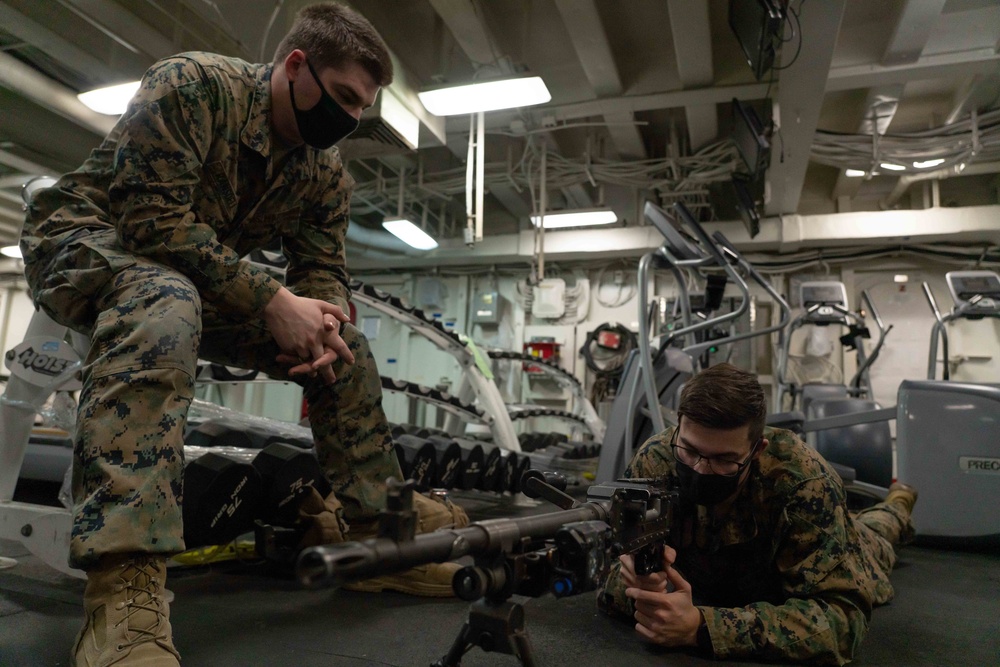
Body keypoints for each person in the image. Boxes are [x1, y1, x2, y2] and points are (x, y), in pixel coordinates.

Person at [19, 4, 466, 666]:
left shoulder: (322, 171)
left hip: (188, 277)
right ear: (295, 67)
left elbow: (321, 270)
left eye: (360, 108)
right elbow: (149, 220)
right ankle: (123, 596)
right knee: (165, 303)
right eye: (342, 97)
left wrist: (324, 318)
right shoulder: (195, 85)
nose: (347, 119)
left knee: (344, 349)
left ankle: (377, 535)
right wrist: (271, 298)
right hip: (85, 241)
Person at [597, 363, 918, 666]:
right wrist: (642, 583)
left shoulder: (804, 482)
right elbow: (610, 573)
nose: (701, 469)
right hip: (721, 578)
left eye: (724, 460)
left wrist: (702, 628)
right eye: (690, 451)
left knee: (875, 536)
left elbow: (842, 621)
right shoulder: (655, 462)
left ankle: (898, 502)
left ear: (757, 450)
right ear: (677, 429)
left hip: (795, 567)